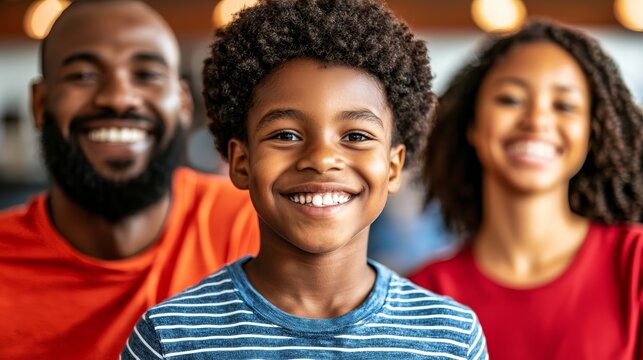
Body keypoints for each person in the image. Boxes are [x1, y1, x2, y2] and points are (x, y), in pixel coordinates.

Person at [122, 0, 488, 358]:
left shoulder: (450, 338)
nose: (322, 159)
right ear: (241, 162)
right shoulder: (170, 338)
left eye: (356, 136)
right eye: (286, 135)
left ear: (393, 167)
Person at [0, 1, 260, 359]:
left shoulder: (253, 226)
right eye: (83, 76)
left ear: (184, 104)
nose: (119, 98)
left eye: (147, 75)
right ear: (40, 104)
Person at [409, 20, 643, 359]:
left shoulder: (634, 265)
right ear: (472, 125)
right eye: (510, 99)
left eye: (563, 105)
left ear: (591, 134)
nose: (536, 120)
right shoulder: (422, 296)